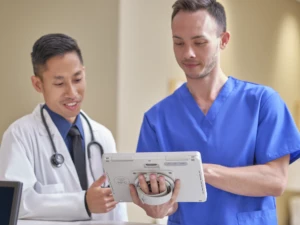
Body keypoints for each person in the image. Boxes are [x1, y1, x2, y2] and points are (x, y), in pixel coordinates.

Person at [129, 0, 300, 224]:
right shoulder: (157, 119)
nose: (188, 53)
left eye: (199, 42)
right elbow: (159, 200)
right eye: (178, 43)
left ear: (223, 40)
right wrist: (157, 206)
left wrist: (201, 172)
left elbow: (275, 180)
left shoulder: (262, 103)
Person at [0, 33, 127, 221]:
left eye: (77, 79)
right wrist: (83, 203)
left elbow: (118, 213)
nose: (72, 93)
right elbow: (14, 205)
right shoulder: (20, 135)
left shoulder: (103, 137)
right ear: (38, 84)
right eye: (59, 83)